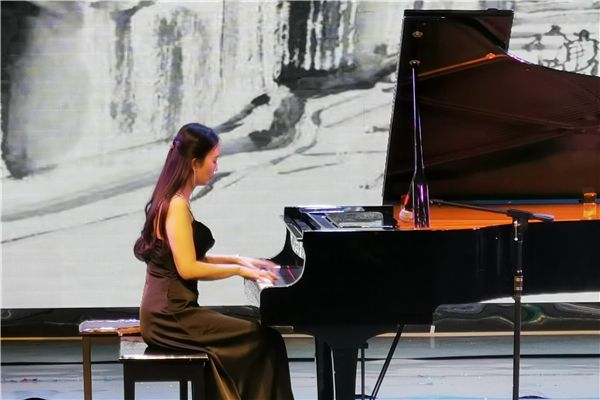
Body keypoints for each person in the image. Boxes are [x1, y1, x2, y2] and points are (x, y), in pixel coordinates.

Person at [134, 122, 294, 400]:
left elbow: (189, 256)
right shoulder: (177, 206)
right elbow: (188, 268)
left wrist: (243, 261)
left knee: (263, 339)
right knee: (264, 340)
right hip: (170, 317)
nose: (216, 167)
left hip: (167, 312)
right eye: (214, 160)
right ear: (195, 163)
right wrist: (238, 270)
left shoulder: (174, 200)